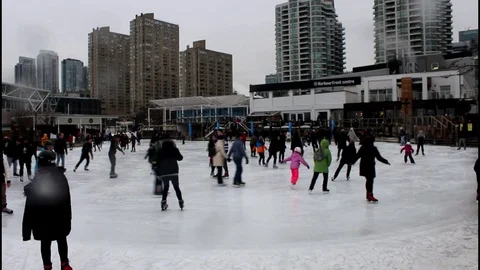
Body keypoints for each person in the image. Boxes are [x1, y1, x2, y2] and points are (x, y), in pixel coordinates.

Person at [22, 150, 73, 270]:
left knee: (48, 242)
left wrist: (27, 229)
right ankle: (61, 264)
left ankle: (52, 265)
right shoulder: (57, 176)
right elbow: (67, 200)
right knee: (58, 240)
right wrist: (68, 218)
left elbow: (29, 206)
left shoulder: (40, 179)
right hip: (56, 218)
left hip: (45, 219)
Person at [352, 135, 390, 202]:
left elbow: (357, 156)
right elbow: (379, 157)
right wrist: (385, 161)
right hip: (370, 166)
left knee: (368, 180)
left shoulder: (363, 147)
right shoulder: (373, 148)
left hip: (363, 166)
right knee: (370, 181)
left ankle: (368, 194)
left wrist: (352, 161)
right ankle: (370, 194)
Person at [155, 139, 184, 211]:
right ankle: (180, 201)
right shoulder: (174, 150)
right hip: (174, 171)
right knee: (176, 187)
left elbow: (157, 162)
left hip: (164, 173)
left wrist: (158, 173)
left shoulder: (160, 151)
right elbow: (180, 158)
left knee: (166, 188)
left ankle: (163, 202)